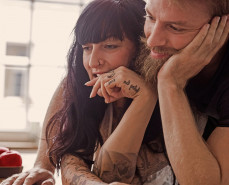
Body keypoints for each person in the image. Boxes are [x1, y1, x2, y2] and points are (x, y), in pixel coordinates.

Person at [62, 0, 229, 184]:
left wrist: (168, 83)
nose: (151, 41)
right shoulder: (146, 57)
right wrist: (42, 163)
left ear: (222, 26)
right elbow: (75, 149)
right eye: (150, 17)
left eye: (175, 27)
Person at [2, 0, 148, 184]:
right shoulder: (80, 85)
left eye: (110, 46)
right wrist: (43, 164)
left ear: (142, 46)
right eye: (87, 48)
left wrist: (146, 97)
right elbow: (72, 163)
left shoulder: (170, 90)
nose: (93, 62)